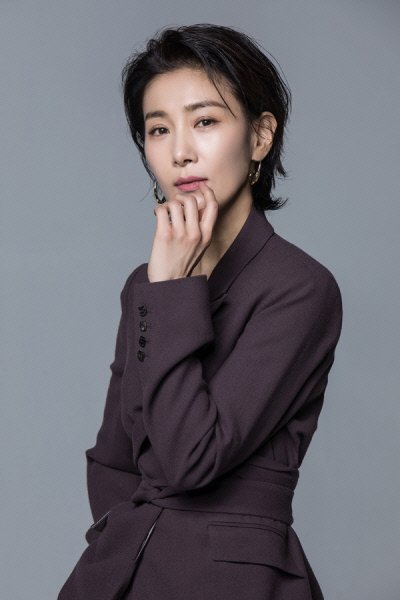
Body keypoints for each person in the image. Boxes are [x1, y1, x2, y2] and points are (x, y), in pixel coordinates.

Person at [58, 23, 343, 600]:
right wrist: (121, 543)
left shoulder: (300, 287)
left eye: (205, 121)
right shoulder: (144, 283)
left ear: (260, 136)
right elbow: (113, 459)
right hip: (125, 571)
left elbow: (191, 458)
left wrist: (171, 290)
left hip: (235, 578)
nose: (180, 151)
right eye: (158, 129)